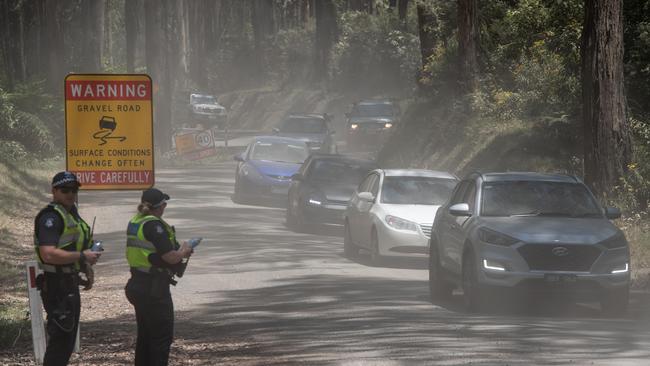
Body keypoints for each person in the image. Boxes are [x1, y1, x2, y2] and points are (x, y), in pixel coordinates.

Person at [34, 171, 101, 366]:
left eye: (74, 190)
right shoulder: (51, 217)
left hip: (68, 283)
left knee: (67, 340)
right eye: (65, 190)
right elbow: (48, 253)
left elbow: (72, 247)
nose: (70, 194)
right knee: (61, 340)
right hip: (57, 286)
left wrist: (84, 265)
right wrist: (82, 256)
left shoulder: (70, 214)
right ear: (54, 191)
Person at [124, 188, 193, 366]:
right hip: (153, 289)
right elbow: (170, 257)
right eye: (164, 203)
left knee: (146, 337)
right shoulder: (154, 225)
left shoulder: (136, 221)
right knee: (161, 339)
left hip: (138, 283)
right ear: (160, 206)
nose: (165, 207)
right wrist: (184, 251)